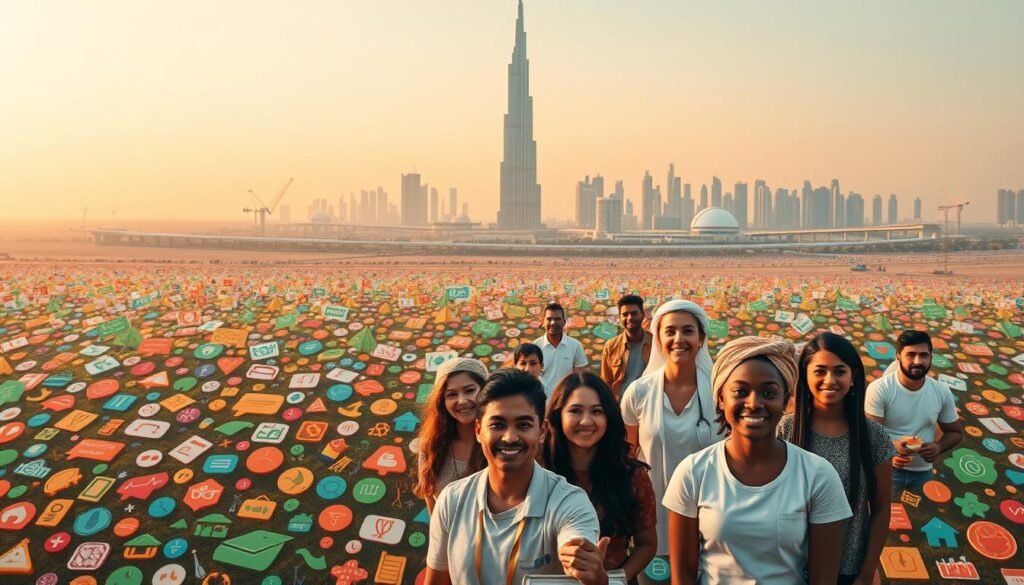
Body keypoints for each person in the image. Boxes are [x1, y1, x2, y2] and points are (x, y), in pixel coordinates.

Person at [663, 336, 852, 585]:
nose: (754, 403)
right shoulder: (693, 473)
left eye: (769, 392)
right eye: (740, 392)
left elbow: (823, 578)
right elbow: (684, 576)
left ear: (785, 400)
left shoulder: (818, 476)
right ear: (721, 398)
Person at [425, 369, 611, 585]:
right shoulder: (451, 500)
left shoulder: (569, 502)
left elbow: (575, 539)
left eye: (523, 425)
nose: (510, 437)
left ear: (542, 431)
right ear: (478, 430)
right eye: (497, 425)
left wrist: (586, 567)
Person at [778, 333, 896, 585]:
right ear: (805, 375)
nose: (829, 380)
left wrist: (866, 573)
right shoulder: (785, 430)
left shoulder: (874, 436)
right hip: (789, 567)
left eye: (839, 371)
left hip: (849, 569)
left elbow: (882, 508)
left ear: (852, 377)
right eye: (819, 371)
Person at [620, 300, 722, 576]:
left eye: (688, 331)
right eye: (670, 331)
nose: (679, 339)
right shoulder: (638, 393)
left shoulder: (721, 393)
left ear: (701, 339)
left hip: (712, 521)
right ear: (659, 339)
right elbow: (628, 458)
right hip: (654, 524)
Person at [542, 372, 658, 584]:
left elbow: (647, 544)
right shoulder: (537, 471)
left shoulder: (632, 476)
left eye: (597, 411)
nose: (586, 421)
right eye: (575, 411)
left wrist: (616, 579)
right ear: (558, 417)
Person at [865, 329, 963, 493]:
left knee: (922, 514)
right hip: (887, 469)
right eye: (910, 354)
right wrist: (891, 452)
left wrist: (938, 447)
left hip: (922, 472)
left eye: (924, 355)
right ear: (898, 357)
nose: (918, 361)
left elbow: (955, 433)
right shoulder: (880, 389)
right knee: (883, 514)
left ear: (931, 358)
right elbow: (870, 435)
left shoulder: (942, 391)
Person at [415, 358, 488, 513]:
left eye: (469, 391)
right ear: (442, 401)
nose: (461, 401)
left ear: (485, 392)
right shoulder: (430, 445)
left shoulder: (499, 442)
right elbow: (430, 500)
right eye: (452, 395)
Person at [600, 294, 653, 401]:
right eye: (625, 314)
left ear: (642, 315)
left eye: (634, 313)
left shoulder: (655, 343)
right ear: (620, 318)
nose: (629, 318)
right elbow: (606, 381)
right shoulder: (611, 346)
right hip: (620, 406)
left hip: (649, 404)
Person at [534, 302, 588, 394]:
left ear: (564, 322)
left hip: (566, 400)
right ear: (543, 322)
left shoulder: (575, 346)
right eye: (549, 319)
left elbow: (580, 376)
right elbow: (531, 376)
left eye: (557, 319)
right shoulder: (535, 346)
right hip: (542, 400)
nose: (553, 323)